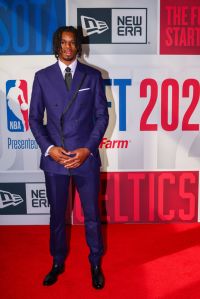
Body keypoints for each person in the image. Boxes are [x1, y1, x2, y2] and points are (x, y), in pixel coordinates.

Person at [29, 26, 109, 289]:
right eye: (63, 42)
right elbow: (34, 119)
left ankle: (95, 261)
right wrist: (50, 149)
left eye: (72, 42)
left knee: (92, 215)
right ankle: (57, 261)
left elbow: (101, 117)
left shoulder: (92, 76)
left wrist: (87, 149)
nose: (67, 47)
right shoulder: (42, 78)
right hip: (55, 160)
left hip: (85, 158)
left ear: (78, 46)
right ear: (57, 45)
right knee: (56, 215)